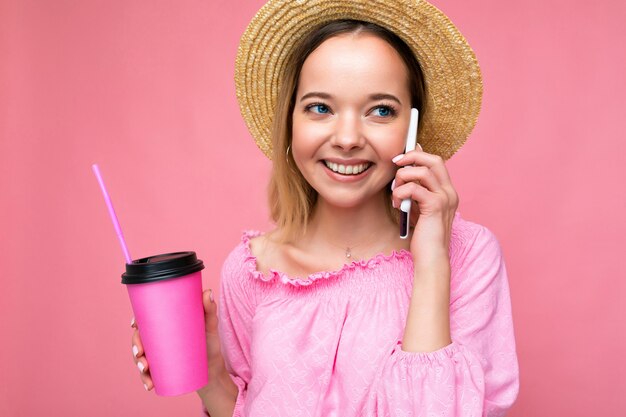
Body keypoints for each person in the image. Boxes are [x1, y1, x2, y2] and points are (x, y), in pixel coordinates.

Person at [131, 0, 520, 416]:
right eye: (320, 107)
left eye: (381, 110)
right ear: (291, 123)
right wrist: (209, 373)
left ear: (412, 130)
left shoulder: (468, 256)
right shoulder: (252, 272)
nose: (348, 137)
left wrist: (431, 263)